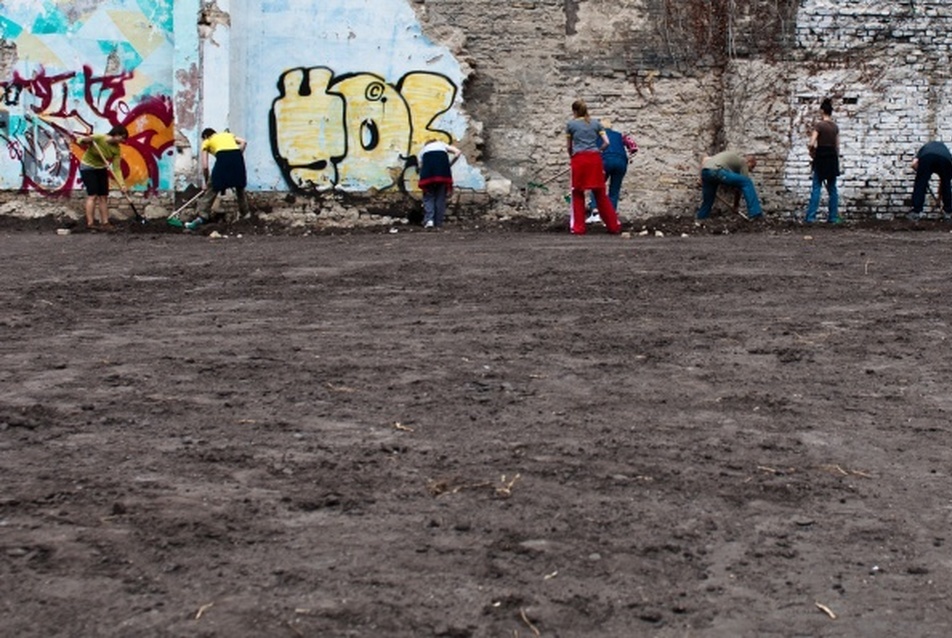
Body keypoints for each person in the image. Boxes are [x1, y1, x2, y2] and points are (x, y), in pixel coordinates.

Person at [565, 100, 622, 235]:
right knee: (600, 193)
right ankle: (613, 226)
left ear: (574, 111)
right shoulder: (596, 123)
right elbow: (606, 142)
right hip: (595, 159)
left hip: (579, 159)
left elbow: (569, 146)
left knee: (577, 193)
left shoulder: (570, 125)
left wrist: (571, 155)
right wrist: (599, 150)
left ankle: (579, 228)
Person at [184, 128, 250, 230]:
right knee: (240, 188)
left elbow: (205, 166)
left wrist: (207, 182)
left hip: (223, 159)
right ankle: (246, 216)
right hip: (237, 159)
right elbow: (243, 142)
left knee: (212, 190)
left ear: (205, 136)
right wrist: (236, 154)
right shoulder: (227, 135)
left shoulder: (207, 141)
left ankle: (201, 218)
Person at [76, 125, 129, 231]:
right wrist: (86, 140)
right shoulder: (99, 138)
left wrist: (122, 185)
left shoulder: (116, 149)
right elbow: (79, 140)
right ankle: (90, 223)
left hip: (101, 168)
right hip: (88, 168)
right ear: (116, 134)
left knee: (103, 196)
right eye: (122, 137)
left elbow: (117, 169)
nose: (123, 141)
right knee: (93, 195)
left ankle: (105, 223)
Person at [587, 118, 638, 223]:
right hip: (621, 163)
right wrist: (629, 157)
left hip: (605, 162)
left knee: (597, 186)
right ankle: (611, 218)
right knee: (614, 190)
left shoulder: (597, 136)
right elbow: (633, 147)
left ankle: (595, 213)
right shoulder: (620, 135)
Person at [695, 150, 763, 220]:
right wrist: (736, 206)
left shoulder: (730, 159)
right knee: (747, 182)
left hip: (706, 172)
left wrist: (701, 178)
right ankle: (755, 213)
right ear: (749, 162)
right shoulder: (743, 162)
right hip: (717, 171)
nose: (751, 170)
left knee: (708, 199)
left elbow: (705, 160)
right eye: (752, 167)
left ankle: (701, 218)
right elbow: (739, 188)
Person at [805, 97, 840, 224]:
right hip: (832, 158)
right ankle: (833, 217)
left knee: (816, 188)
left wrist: (812, 152)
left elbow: (811, 142)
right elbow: (837, 146)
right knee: (832, 189)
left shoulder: (819, 126)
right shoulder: (835, 127)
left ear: (822, 112)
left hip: (821, 158)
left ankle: (811, 218)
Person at [417, 138, 462, 229]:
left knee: (429, 197)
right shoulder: (442, 144)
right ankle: (438, 222)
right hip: (443, 174)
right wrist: (449, 164)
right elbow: (458, 152)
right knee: (440, 197)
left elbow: (420, 166)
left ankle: (429, 220)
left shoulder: (423, 150)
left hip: (428, 175)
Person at [910, 141, 952, 221]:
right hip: (945, 160)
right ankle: (948, 212)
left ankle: (915, 212)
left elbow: (913, 164)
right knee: (946, 184)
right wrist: (940, 201)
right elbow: (943, 184)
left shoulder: (924, 149)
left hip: (927, 158)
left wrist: (921, 174)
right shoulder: (946, 151)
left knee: (920, 184)